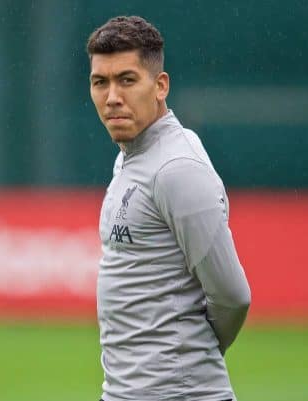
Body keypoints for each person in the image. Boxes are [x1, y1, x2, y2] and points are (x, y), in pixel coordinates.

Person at [87, 16, 251, 401]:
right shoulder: (131, 155)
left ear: (160, 86)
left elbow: (231, 295)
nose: (112, 96)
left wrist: (187, 354)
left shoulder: (176, 169)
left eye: (127, 80)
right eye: (100, 82)